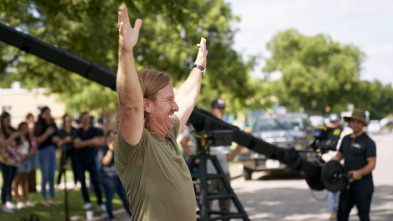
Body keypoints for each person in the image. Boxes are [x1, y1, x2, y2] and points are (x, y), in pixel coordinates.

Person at [114, 5, 208, 220]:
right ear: (147, 105)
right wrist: (126, 51)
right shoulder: (137, 145)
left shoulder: (168, 134)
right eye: (168, 101)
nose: (175, 107)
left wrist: (199, 65)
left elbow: (187, 97)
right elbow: (130, 105)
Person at [330, 109, 376, 221]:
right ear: (350, 122)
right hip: (346, 184)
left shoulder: (368, 142)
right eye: (353, 121)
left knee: (363, 216)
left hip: (363, 185)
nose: (355, 124)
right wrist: (327, 164)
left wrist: (358, 173)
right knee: (341, 215)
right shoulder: (345, 139)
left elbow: (372, 164)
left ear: (363, 124)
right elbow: (338, 157)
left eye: (358, 122)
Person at [206, 97, 243, 220]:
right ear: (212, 109)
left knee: (225, 206)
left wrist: (233, 156)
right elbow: (185, 141)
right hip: (209, 172)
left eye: (223, 108)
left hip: (224, 171)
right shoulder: (205, 125)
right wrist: (193, 156)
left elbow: (242, 141)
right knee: (206, 206)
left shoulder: (227, 127)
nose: (221, 111)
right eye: (218, 108)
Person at [73, 112, 106, 211]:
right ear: (81, 119)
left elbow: (100, 142)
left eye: (88, 118)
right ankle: (87, 202)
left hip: (92, 159)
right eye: (84, 118)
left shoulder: (96, 130)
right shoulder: (77, 131)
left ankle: (100, 203)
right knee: (82, 183)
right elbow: (76, 145)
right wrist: (91, 142)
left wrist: (83, 143)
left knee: (96, 182)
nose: (86, 120)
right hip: (80, 160)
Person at [98, 130, 131, 221]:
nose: (112, 138)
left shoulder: (119, 148)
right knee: (109, 198)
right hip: (107, 177)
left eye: (114, 137)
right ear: (106, 138)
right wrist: (110, 150)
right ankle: (112, 218)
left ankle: (133, 217)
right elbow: (105, 162)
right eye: (110, 137)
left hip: (118, 178)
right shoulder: (103, 148)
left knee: (125, 199)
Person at [34, 106, 60, 206]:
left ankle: (52, 198)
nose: (48, 115)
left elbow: (57, 136)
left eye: (49, 112)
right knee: (45, 176)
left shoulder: (53, 124)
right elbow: (37, 140)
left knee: (52, 175)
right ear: (42, 114)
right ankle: (44, 198)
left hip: (52, 150)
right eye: (46, 113)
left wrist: (56, 139)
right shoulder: (39, 125)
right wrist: (47, 134)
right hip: (43, 151)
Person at [0, 112, 22, 213]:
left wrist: (20, 136)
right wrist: (13, 136)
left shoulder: (11, 130)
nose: (8, 121)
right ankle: (3, 203)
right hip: (5, 160)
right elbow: (3, 144)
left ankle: (8, 201)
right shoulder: (1, 131)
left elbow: (19, 143)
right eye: (6, 119)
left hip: (14, 160)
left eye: (9, 119)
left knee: (10, 181)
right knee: (6, 181)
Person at [323, 113, 342, 220]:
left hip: (342, 164)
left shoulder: (344, 133)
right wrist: (325, 157)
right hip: (330, 165)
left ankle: (343, 210)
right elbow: (318, 149)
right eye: (332, 122)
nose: (334, 123)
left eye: (335, 121)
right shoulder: (325, 133)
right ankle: (333, 211)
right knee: (332, 190)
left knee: (344, 189)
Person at [13, 122, 35, 209]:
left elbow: (29, 148)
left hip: (27, 160)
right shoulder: (18, 137)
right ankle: (18, 200)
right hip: (19, 160)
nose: (25, 130)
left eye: (26, 128)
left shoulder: (28, 138)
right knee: (17, 181)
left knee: (24, 181)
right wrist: (20, 137)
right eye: (23, 128)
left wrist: (29, 154)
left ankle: (26, 200)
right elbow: (15, 147)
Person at [56, 114, 77, 187]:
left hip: (73, 150)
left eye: (70, 120)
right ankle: (58, 181)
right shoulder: (61, 131)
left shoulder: (74, 130)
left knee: (75, 166)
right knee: (62, 166)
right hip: (64, 150)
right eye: (67, 120)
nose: (69, 122)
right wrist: (65, 140)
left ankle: (76, 182)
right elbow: (58, 142)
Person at [25, 113, 38, 193]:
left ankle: (33, 188)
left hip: (35, 151)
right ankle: (26, 188)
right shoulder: (26, 130)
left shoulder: (35, 129)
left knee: (33, 170)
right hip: (28, 152)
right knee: (27, 171)